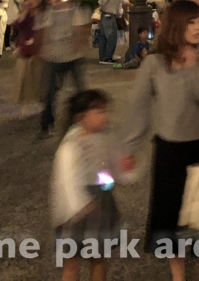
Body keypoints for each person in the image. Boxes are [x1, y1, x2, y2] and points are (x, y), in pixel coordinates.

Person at [120, 0, 199, 281]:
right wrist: (130, 146)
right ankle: (178, 275)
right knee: (170, 216)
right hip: (170, 148)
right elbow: (139, 107)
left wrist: (193, 69)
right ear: (176, 25)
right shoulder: (154, 62)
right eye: (192, 22)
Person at [53, 89, 128, 281]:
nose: (105, 116)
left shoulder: (108, 137)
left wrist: (123, 167)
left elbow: (114, 165)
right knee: (72, 261)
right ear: (81, 117)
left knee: (99, 258)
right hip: (77, 212)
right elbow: (66, 179)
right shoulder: (71, 144)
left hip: (102, 202)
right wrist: (78, 204)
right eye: (99, 111)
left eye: (105, 111)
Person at [38, 0, 90, 140]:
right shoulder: (49, 11)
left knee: (79, 91)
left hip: (71, 56)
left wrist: (77, 44)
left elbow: (81, 30)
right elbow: (44, 32)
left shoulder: (74, 10)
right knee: (50, 93)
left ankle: (83, 120)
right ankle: (48, 124)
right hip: (54, 56)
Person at [12, 0, 45, 119]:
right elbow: (17, 25)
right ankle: (25, 107)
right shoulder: (25, 14)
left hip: (39, 50)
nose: (31, 2)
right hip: (25, 49)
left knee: (39, 79)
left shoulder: (42, 14)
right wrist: (24, 11)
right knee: (23, 79)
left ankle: (42, 104)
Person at [97, 0, 131, 65]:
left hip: (103, 16)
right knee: (112, 38)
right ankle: (107, 58)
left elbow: (100, 5)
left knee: (103, 38)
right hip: (110, 17)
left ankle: (102, 57)